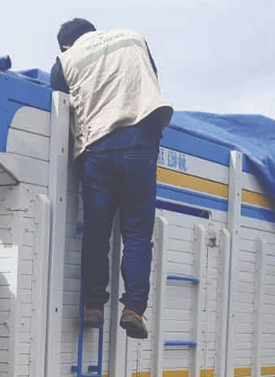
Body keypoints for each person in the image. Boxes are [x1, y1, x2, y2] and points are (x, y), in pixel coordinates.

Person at [52, 18, 172, 339]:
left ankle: (93, 306)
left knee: (96, 232)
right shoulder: (133, 37)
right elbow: (151, 80)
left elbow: (60, 105)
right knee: (136, 234)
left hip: (97, 149)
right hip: (139, 142)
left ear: (66, 44)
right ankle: (133, 308)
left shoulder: (66, 60)